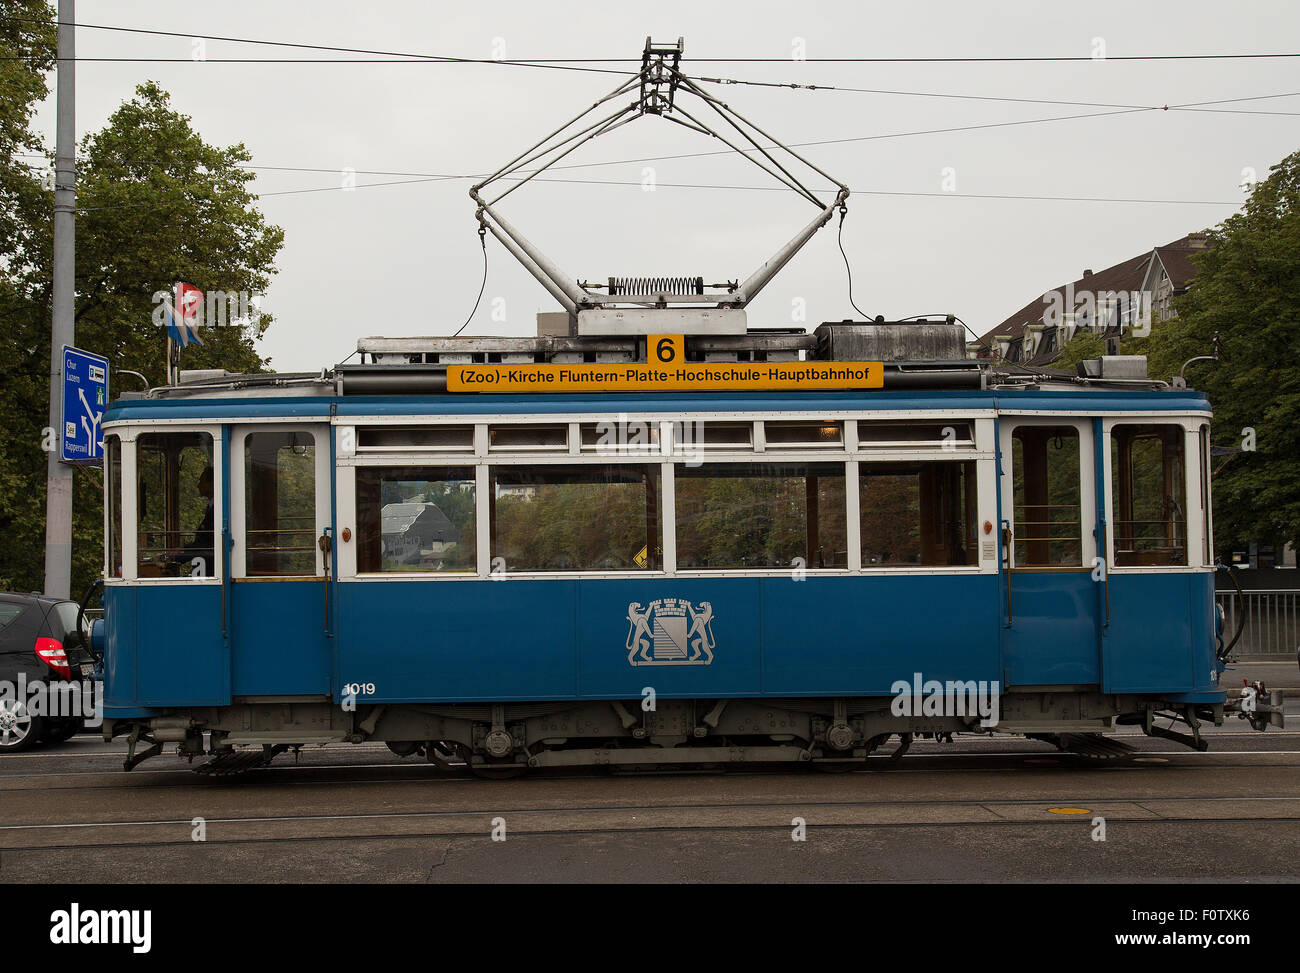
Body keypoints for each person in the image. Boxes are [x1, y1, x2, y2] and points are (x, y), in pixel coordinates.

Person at [181, 466, 215, 577]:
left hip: (210, 566)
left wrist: (181, 552)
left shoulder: (217, 510)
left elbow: (207, 543)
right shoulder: (211, 507)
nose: (198, 486)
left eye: (202, 482)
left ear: (212, 484)